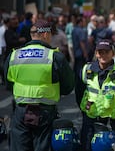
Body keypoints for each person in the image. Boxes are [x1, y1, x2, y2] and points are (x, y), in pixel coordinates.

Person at [4, 19, 75, 151]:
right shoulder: (55, 56)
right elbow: (68, 86)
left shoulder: (14, 55)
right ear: (45, 34)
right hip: (45, 113)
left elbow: (8, 84)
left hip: (20, 112)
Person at [75, 39, 115, 151]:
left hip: (111, 122)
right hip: (90, 120)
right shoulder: (86, 70)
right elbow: (79, 93)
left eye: (107, 52)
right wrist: (85, 111)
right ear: (96, 53)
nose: (103, 55)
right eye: (100, 52)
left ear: (113, 53)